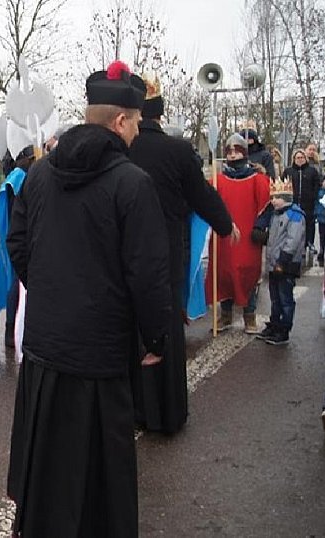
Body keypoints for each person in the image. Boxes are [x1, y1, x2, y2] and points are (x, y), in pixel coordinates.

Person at [6, 60, 171, 537]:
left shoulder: (38, 174)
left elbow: (18, 243)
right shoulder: (132, 183)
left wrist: (52, 293)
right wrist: (155, 336)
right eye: (137, 121)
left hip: (45, 349)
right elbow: (148, 274)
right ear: (120, 120)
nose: (140, 131)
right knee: (100, 481)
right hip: (101, 357)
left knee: (48, 471)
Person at [128, 73, 236, 434]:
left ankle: (135, 409)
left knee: (132, 327)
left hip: (125, 253)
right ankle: (168, 412)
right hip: (168, 254)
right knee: (167, 326)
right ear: (160, 114)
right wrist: (224, 224)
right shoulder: (177, 151)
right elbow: (201, 195)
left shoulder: (123, 148)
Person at [206, 133, 271, 334]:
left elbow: (266, 205)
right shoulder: (217, 181)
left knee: (247, 274)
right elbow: (206, 203)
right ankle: (226, 314)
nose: (233, 155)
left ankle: (249, 315)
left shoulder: (258, 180)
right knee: (223, 274)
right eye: (230, 152)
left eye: (237, 151)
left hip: (247, 237)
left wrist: (260, 227)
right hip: (224, 236)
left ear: (244, 152)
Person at [0, 146, 34, 349]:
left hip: (13, 235)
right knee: (16, 282)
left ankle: (11, 329)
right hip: (19, 236)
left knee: (14, 281)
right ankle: (11, 329)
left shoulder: (16, 177)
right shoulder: (20, 178)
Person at [254, 179, 306, 345]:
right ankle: (275, 324)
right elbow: (272, 239)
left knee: (285, 298)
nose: (273, 200)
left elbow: (292, 241)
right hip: (274, 263)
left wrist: (282, 261)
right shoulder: (276, 215)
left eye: (276, 197)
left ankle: (284, 328)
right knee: (275, 297)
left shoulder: (295, 215)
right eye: (272, 196)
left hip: (285, 265)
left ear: (286, 197)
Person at [282, 148, 321, 255]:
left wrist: (313, 196)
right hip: (293, 203)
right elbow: (283, 184)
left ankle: (309, 243)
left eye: (302, 157)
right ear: (294, 159)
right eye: (297, 158)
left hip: (308, 202)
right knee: (295, 225)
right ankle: (297, 246)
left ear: (306, 158)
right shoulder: (288, 171)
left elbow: (317, 185)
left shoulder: (312, 171)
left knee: (309, 224)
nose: (300, 160)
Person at [316, 177, 325, 266]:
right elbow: (317, 204)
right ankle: (322, 249)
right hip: (322, 218)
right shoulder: (320, 192)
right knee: (322, 235)